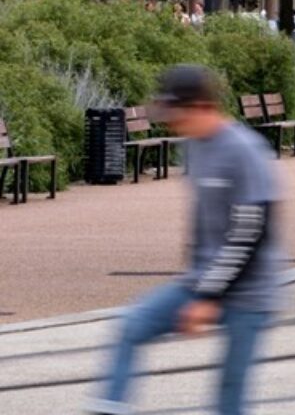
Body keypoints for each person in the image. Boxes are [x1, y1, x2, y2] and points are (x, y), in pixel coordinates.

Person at [91, 65, 283, 415]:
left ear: (203, 107)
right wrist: (194, 280)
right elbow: (201, 219)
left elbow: (250, 233)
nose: (173, 125)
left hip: (250, 292)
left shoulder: (246, 151)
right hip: (201, 281)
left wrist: (209, 297)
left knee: (230, 390)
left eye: (178, 116)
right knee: (132, 326)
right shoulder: (195, 147)